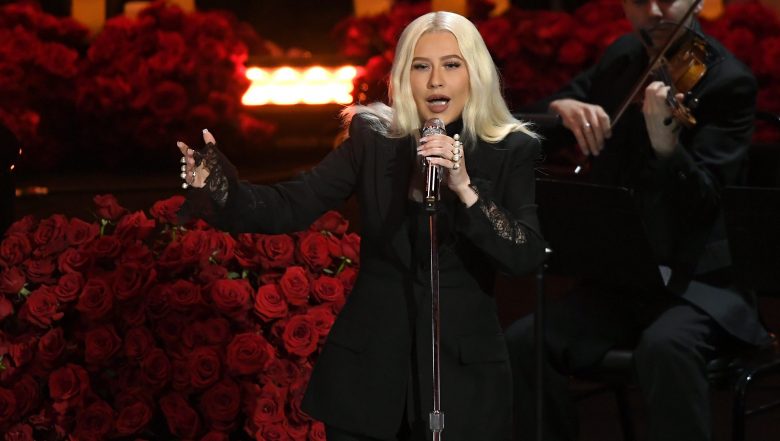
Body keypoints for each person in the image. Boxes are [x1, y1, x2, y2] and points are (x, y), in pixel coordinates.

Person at [177, 11, 547, 441]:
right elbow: (291, 204)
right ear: (403, 76)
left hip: (463, 378)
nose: (435, 81)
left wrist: (465, 189)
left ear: (475, 72)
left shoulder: (510, 149)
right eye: (420, 66)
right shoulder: (374, 141)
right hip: (369, 375)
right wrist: (220, 187)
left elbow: (525, 255)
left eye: (451, 64)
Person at [505, 1, 771, 440]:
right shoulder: (623, 57)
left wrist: (669, 151)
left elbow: (707, 204)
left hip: (699, 286)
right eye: (638, 0)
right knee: (523, 342)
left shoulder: (727, 81)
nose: (654, 11)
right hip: (623, 279)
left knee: (665, 348)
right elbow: (528, 122)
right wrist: (561, 106)